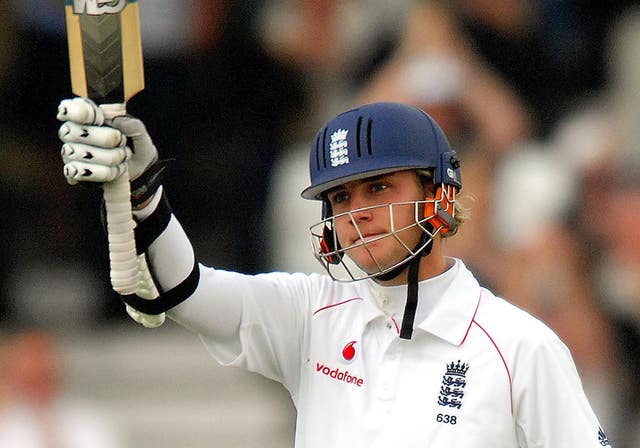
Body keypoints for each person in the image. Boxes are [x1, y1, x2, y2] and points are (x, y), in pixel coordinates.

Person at [57, 98, 612, 447]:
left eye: (379, 187)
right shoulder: (309, 314)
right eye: (340, 197)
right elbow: (183, 288)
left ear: (439, 193)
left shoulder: (520, 348)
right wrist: (142, 192)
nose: (358, 213)